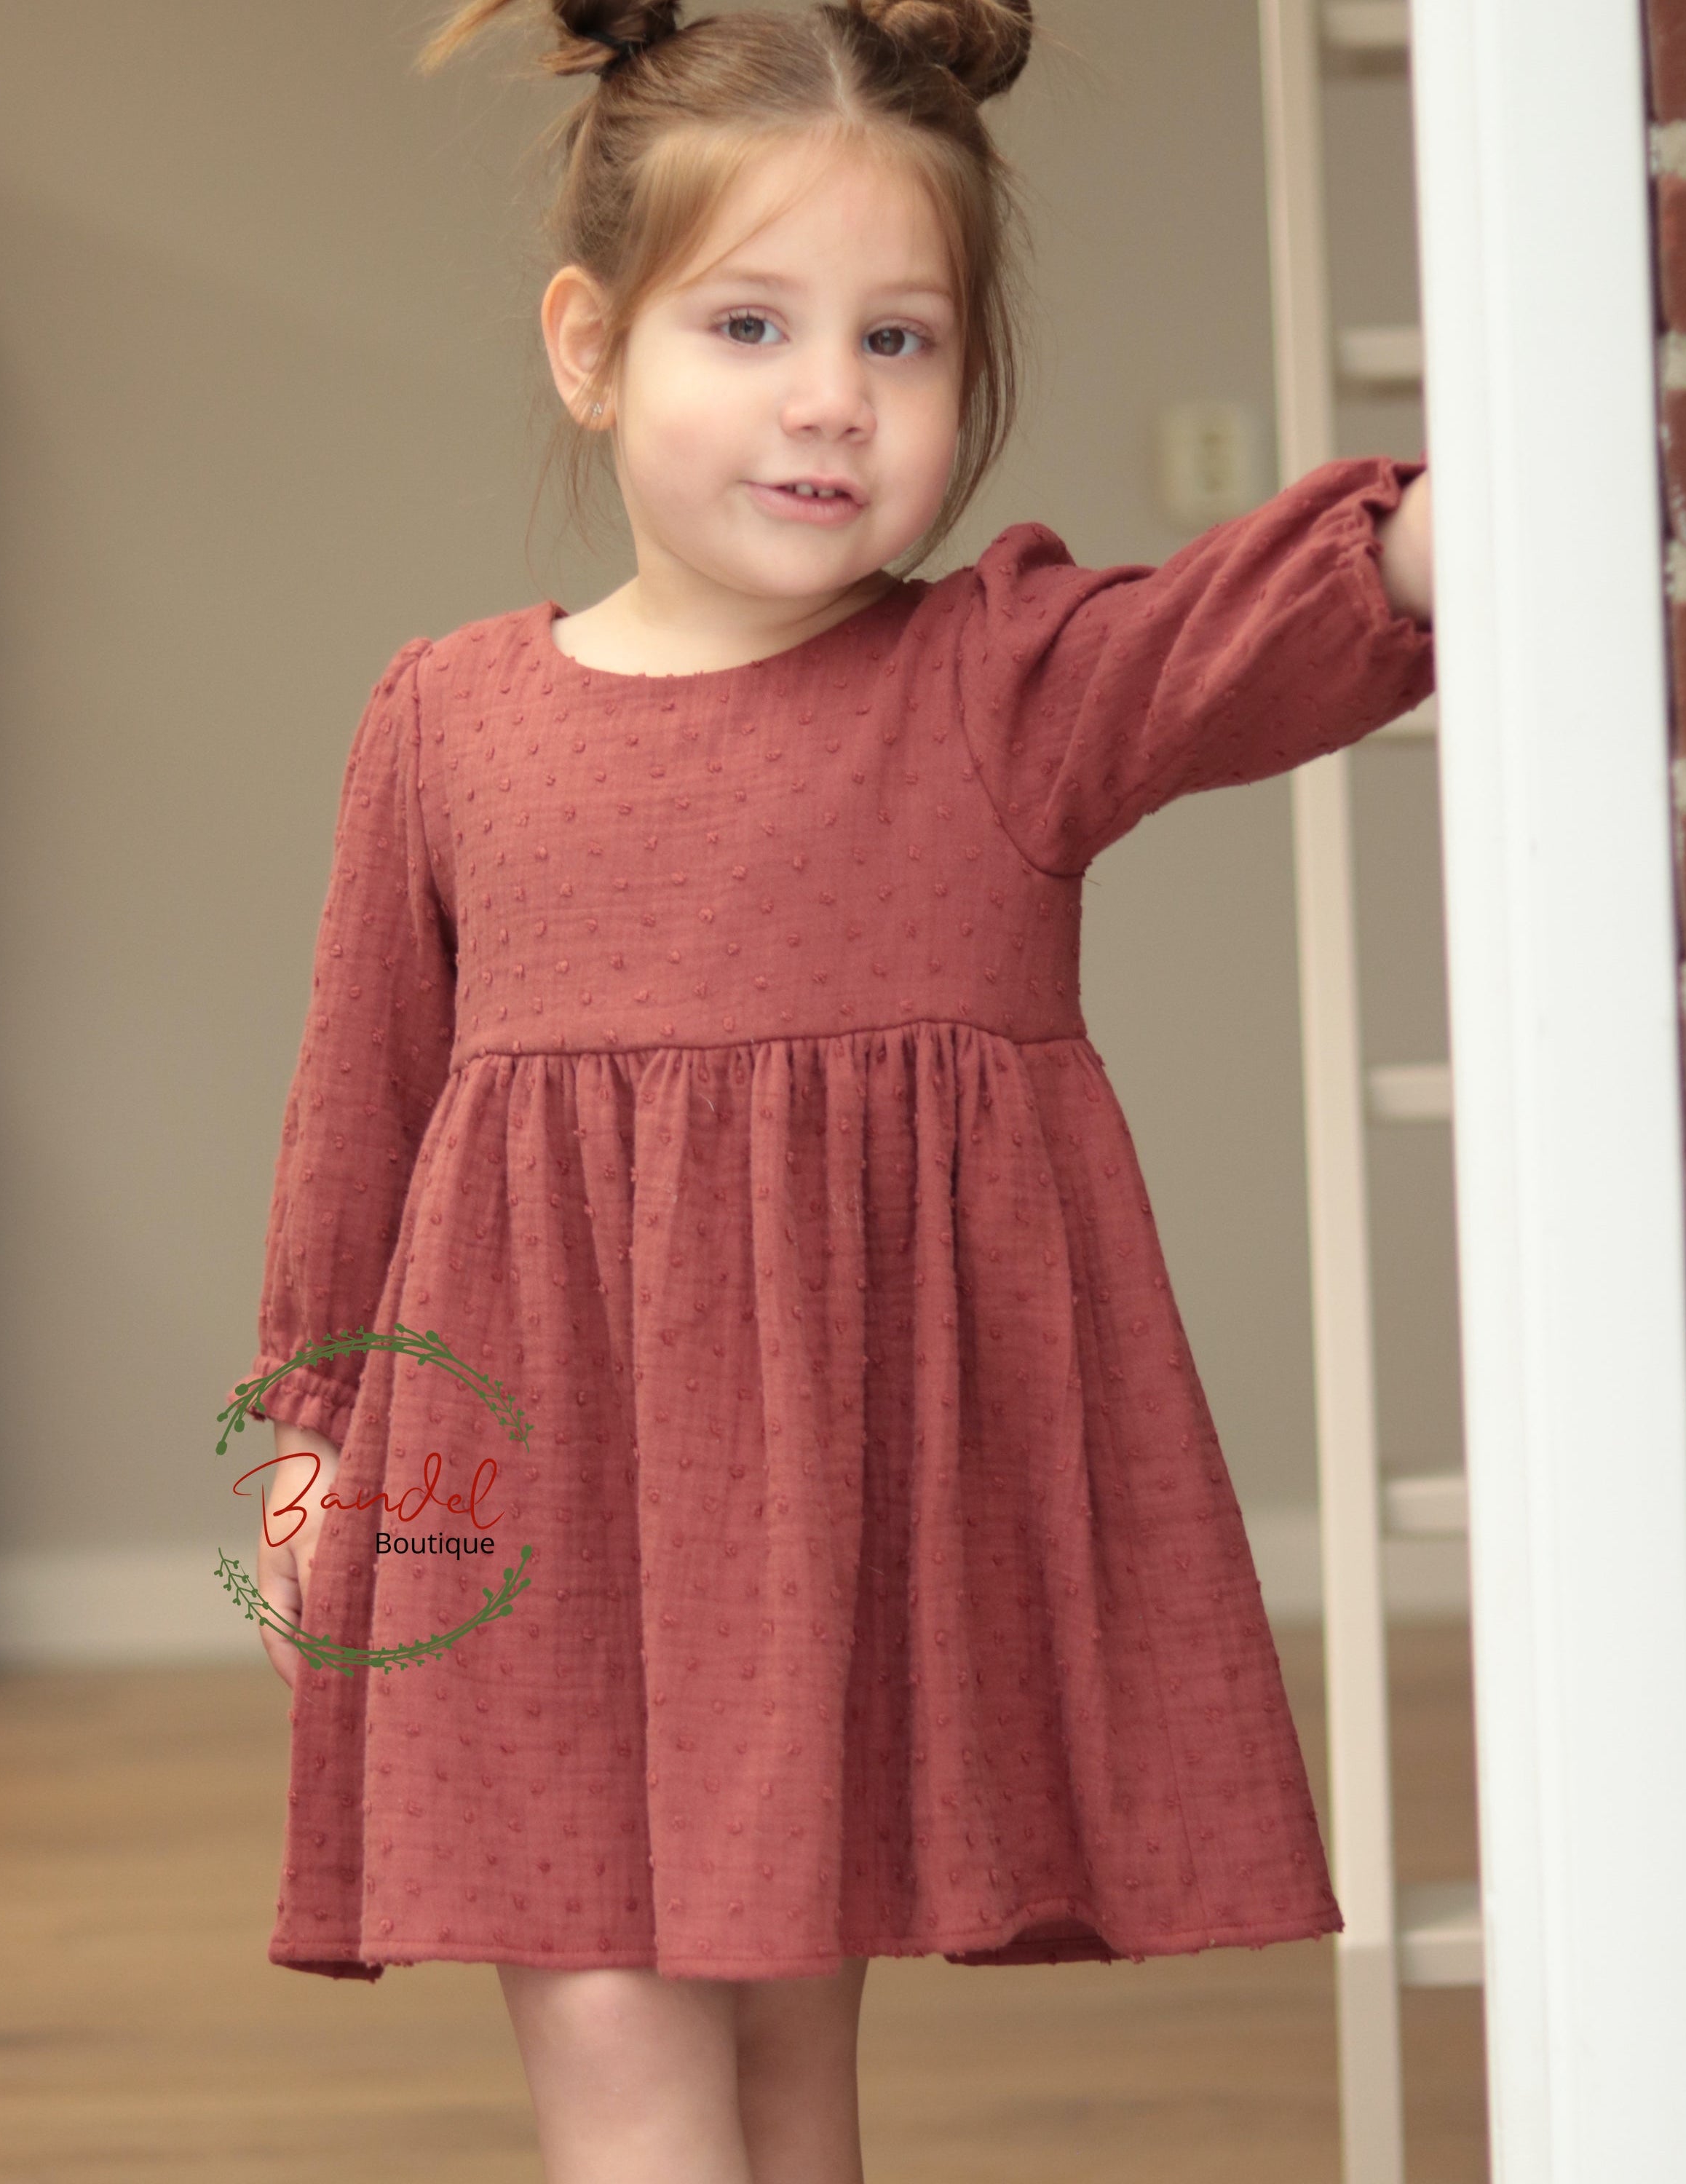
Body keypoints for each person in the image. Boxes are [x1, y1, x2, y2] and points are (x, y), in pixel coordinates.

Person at [239, 4, 1436, 2179]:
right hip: (522, 1499)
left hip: (824, 1523)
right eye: (755, 323)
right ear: (592, 346)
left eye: (902, 343)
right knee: (615, 2051)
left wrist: (1482, 506)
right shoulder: (447, 719)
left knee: (792, 2085)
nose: (828, 401)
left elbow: (1264, 622)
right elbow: (362, 1105)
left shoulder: (998, 682)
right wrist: (316, 1430)